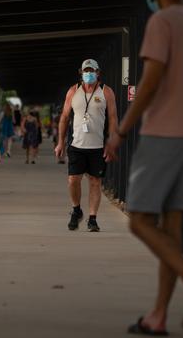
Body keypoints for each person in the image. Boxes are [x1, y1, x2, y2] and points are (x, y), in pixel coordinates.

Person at [105, 0, 183, 334]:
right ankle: (158, 316)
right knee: (172, 229)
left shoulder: (162, 21)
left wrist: (121, 131)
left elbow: (150, 81)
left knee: (139, 219)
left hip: (164, 135)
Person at [55, 58, 118, 233]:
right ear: (81, 73)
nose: (88, 74)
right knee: (73, 180)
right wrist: (60, 142)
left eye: (92, 71)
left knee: (95, 182)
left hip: (97, 146)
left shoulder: (106, 92)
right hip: (77, 144)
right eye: (86, 71)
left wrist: (112, 141)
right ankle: (76, 210)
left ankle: (92, 219)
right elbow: (64, 117)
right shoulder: (73, 91)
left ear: (98, 73)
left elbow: (113, 118)